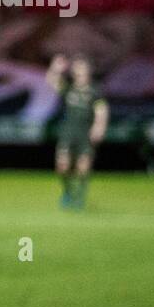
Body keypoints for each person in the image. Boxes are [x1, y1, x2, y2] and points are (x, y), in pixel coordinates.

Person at [46, 54, 108, 210]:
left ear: (88, 72)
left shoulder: (95, 91)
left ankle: (80, 196)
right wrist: (55, 68)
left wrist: (99, 127)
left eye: (81, 70)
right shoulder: (69, 88)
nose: (78, 73)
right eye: (76, 70)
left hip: (85, 134)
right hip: (68, 132)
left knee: (83, 167)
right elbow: (50, 81)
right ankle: (67, 192)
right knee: (62, 166)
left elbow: (102, 110)